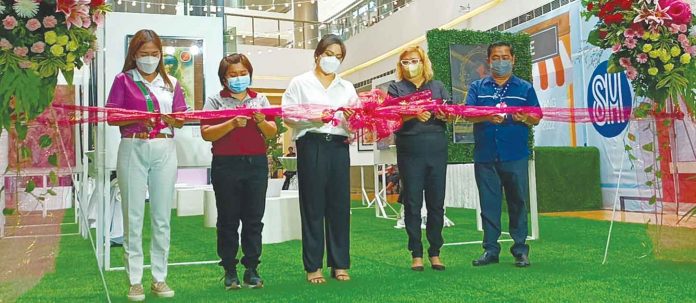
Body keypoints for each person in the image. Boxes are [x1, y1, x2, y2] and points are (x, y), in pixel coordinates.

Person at [106, 29, 186, 301]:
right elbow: (112, 117)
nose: (149, 58)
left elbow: (181, 117)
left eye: (154, 54)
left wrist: (173, 120)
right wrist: (138, 119)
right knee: (133, 215)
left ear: (161, 54)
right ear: (134, 55)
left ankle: (160, 278)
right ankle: (135, 280)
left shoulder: (171, 82)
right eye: (144, 54)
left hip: (164, 147)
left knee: (162, 216)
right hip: (133, 146)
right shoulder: (123, 80)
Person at [282, 34, 357, 284]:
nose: (333, 60)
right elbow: (288, 116)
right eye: (329, 54)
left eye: (338, 57)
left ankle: (340, 264)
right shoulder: (299, 83)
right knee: (313, 206)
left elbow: (356, 122)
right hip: (311, 143)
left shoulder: (347, 87)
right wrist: (315, 117)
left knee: (339, 206)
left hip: (338, 145)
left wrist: (351, 119)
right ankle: (313, 266)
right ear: (317, 55)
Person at [200, 53, 277, 290]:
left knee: (254, 219)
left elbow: (272, 131)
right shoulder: (215, 100)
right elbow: (206, 133)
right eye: (233, 75)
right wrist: (231, 123)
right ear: (224, 79)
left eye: (243, 73)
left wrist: (261, 121)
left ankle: (252, 269)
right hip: (225, 165)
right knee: (228, 219)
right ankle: (229, 270)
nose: (239, 78)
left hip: (256, 164)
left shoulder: (261, 99)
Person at [465, 41, 542, 268]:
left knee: (518, 201)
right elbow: (468, 114)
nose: (501, 61)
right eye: (496, 58)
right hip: (485, 155)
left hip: (515, 154)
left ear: (513, 59)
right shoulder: (478, 87)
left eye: (505, 57)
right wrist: (486, 116)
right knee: (489, 205)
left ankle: (520, 250)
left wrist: (525, 118)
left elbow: (536, 116)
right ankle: (490, 250)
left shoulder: (524, 88)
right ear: (488, 61)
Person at [387, 45, 451, 272]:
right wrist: (412, 113)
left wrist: (445, 114)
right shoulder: (395, 88)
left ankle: (435, 252)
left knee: (436, 202)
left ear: (424, 62)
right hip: (409, 148)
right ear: (400, 66)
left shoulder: (438, 86)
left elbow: (449, 112)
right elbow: (389, 117)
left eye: (414, 61)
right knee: (412, 202)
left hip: (436, 147)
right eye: (405, 62)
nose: (410, 66)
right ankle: (416, 252)